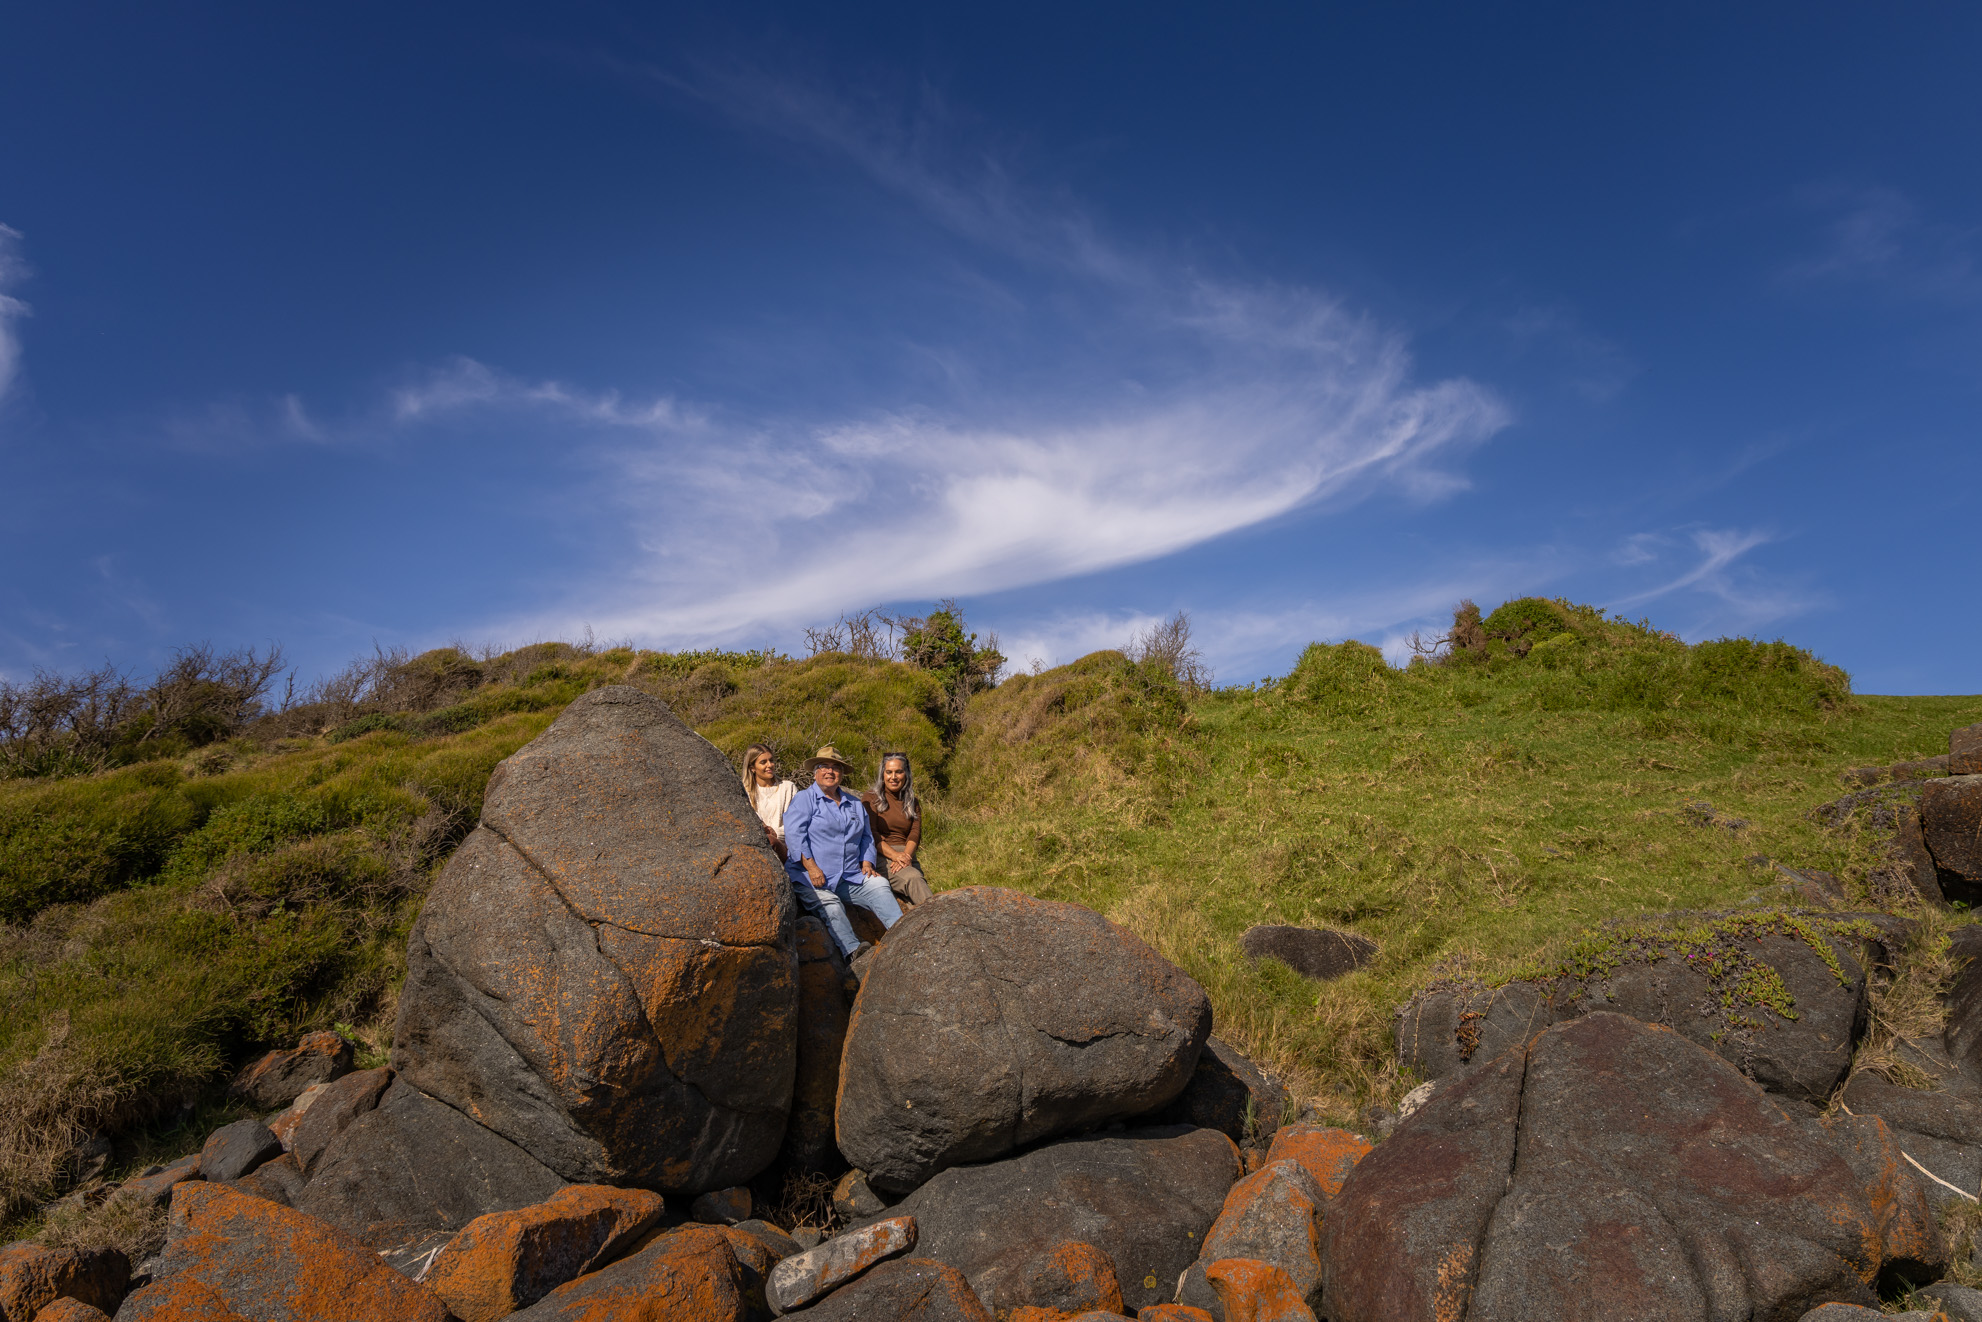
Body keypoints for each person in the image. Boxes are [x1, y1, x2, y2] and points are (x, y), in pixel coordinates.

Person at [783, 744, 902, 959]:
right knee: (831, 905)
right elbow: (794, 836)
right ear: (815, 772)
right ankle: (854, 951)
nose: (830, 771)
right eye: (823, 766)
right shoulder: (804, 799)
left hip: (849, 876)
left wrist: (867, 862)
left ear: (841, 774)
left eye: (835, 767)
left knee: (880, 884)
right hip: (811, 878)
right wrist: (811, 867)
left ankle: (905, 935)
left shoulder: (854, 804)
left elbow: (867, 836)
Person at [863, 752, 933, 908]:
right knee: (914, 879)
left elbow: (915, 833)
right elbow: (871, 834)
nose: (893, 777)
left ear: (906, 774)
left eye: (898, 772)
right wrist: (895, 856)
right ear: (883, 774)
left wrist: (906, 856)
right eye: (889, 772)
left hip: (908, 855)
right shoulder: (870, 798)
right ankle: (941, 919)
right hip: (883, 854)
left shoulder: (912, 801)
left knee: (915, 893)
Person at [741, 743, 796, 862]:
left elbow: (796, 824)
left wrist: (775, 832)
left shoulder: (788, 788)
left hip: (784, 847)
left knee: (770, 841)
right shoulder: (744, 791)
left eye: (771, 760)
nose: (769, 765)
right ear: (752, 767)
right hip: (754, 845)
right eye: (763, 762)